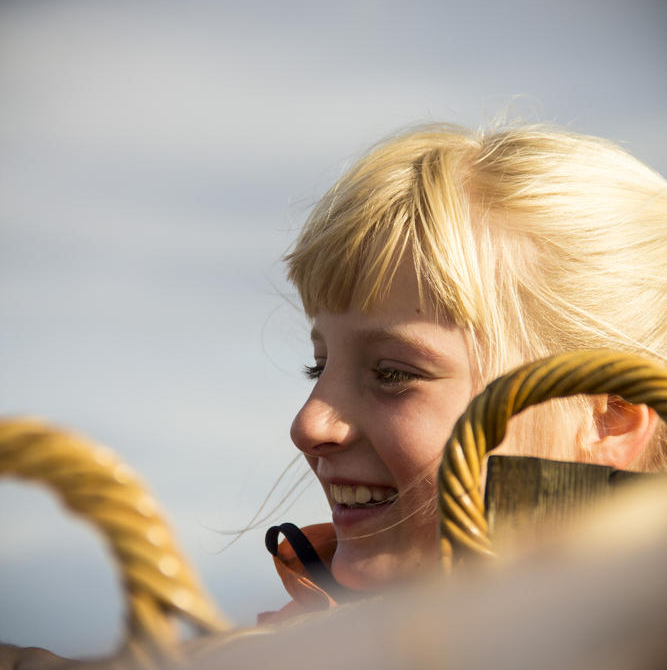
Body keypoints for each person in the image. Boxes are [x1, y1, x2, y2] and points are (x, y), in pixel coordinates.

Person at [260, 122, 667, 622]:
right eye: (317, 367)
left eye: (392, 374)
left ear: (612, 418)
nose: (309, 425)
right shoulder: (293, 661)